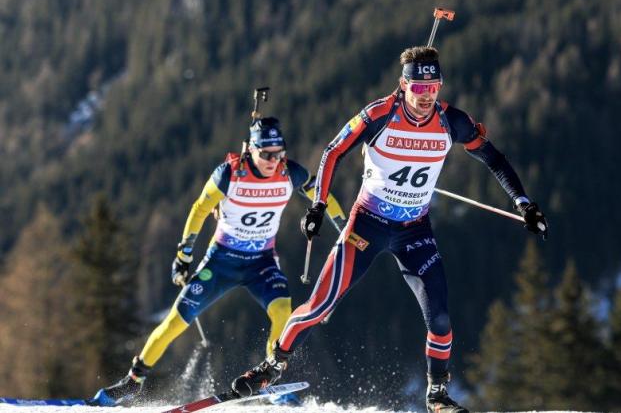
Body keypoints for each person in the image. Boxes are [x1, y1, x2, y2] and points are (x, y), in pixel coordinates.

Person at [230, 46, 548, 413]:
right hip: (368, 224)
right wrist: (318, 204)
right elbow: (333, 152)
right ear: (403, 85)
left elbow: (493, 157)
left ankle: (437, 395)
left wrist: (523, 203)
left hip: (415, 231)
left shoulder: (452, 121)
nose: (426, 96)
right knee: (320, 304)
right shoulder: (380, 113)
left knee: (440, 317)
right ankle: (272, 366)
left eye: (433, 87)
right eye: (418, 87)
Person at [90, 116, 346, 406]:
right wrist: (184, 254)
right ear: (250, 149)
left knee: (283, 311)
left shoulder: (291, 173)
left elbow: (323, 197)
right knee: (175, 322)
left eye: (279, 153)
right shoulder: (229, 174)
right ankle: (132, 382)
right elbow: (200, 209)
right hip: (221, 262)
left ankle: (269, 377)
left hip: (261, 263)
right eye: (266, 154)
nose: (273, 161)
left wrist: (344, 227)